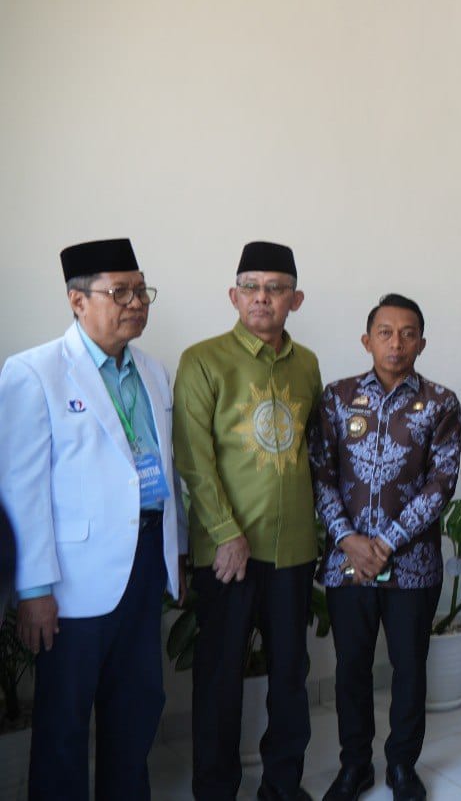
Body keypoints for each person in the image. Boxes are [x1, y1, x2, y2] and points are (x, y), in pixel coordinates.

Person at [0, 238, 184, 799]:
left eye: (141, 291)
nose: (136, 303)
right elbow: (21, 488)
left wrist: (176, 552)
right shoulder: (35, 373)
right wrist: (34, 589)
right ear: (78, 301)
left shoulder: (153, 371)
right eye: (120, 292)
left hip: (144, 564)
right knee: (64, 724)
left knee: (136, 712)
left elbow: (162, 470)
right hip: (72, 581)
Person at [173, 241, 322, 801]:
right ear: (233, 296)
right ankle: (215, 790)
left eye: (276, 288)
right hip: (228, 552)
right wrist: (224, 533)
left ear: (295, 300)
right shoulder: (203, 360)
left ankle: (283, 786)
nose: (263, 297)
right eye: (251, 287)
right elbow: (193, 457)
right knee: (219, 679)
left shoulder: (307, 364)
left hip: (294, 549)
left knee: (290, 675)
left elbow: (314, 449)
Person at [310, 293, 461, 801]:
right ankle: (354, 765)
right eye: (385, 332)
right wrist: (348, 540)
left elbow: (441, 483)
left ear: (422, 342)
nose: (396, 343)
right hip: (346, 563)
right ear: (367, 340)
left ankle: (402, 765)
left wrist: (385, 543)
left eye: (407, 334)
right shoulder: (337, 398)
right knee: (351, 669)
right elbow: (321, 473)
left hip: (412, 566)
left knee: (409, 670)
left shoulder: (441, 402)